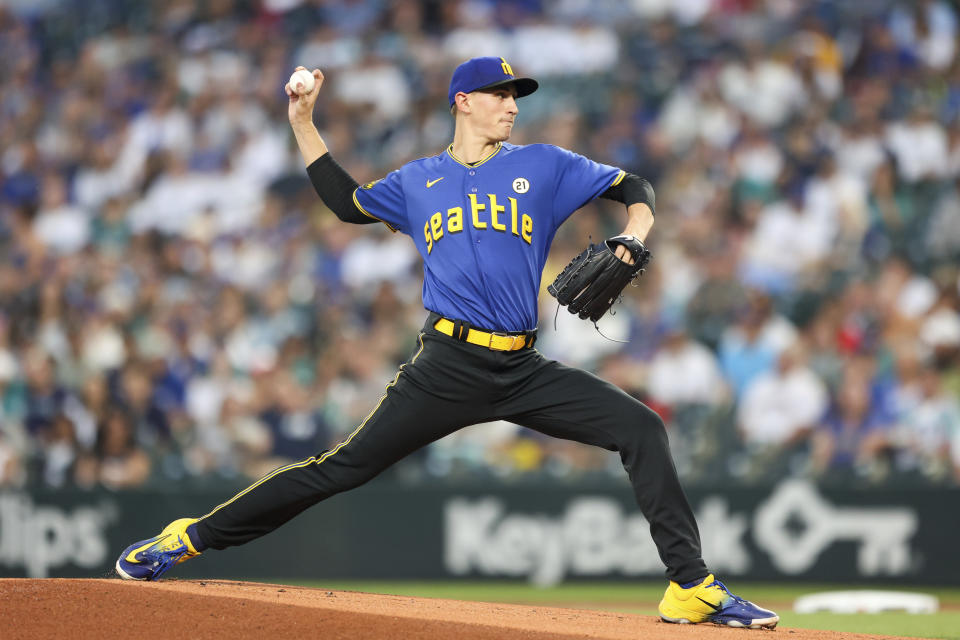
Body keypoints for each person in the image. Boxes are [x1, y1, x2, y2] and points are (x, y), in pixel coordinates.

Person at [115, 57, 778, 629]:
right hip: (446, 366)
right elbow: (348, 204)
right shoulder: (417, 181)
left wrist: (635, 232)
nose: (511, 106)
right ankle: (187, 539)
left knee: (642, 429)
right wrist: (303, 122)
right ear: (463, 101)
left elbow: (635, 186)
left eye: (517, 97)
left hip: (521, 366)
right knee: (340, 468)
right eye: (500, 94)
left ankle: (689, 589)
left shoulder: (544, 167)